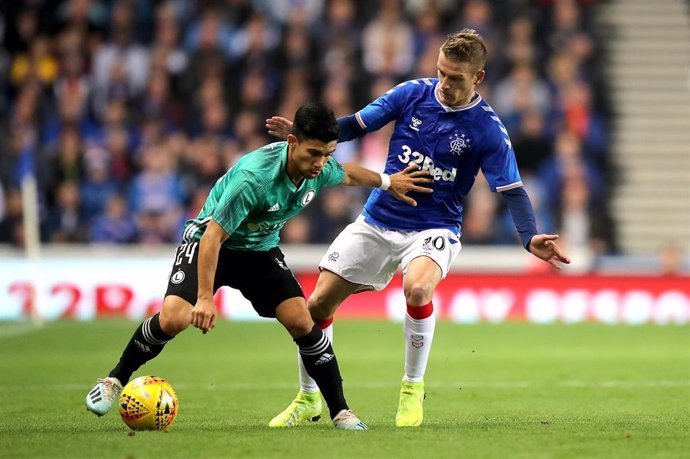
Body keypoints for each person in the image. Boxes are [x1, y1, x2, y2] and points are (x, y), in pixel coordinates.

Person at [265, 29, 571, 428]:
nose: (444, 83)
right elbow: (358, 124)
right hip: (379, 218)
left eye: (455, 78)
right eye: (441, 72)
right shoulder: (412, 93)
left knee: (418, 287)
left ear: (477, 77)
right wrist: (310, 135)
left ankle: (412, 387)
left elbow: (511, 189)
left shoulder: (487, 129)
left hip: (435, 226)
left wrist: (528, 235)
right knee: (317, 306)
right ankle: (308, 398)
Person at [85, 102, 433, 430]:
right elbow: (212, 238)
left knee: (303, 319)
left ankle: (340, 411)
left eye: (327, 154)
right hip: (210, 245)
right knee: (174, 318)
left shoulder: (320, 168)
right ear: (292, 143)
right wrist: (205, 298)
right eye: (313, 153)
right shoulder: (254, 180)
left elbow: (349, 175)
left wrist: (388, 182)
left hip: (259, 253)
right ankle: (115, 379)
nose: (320, 163)